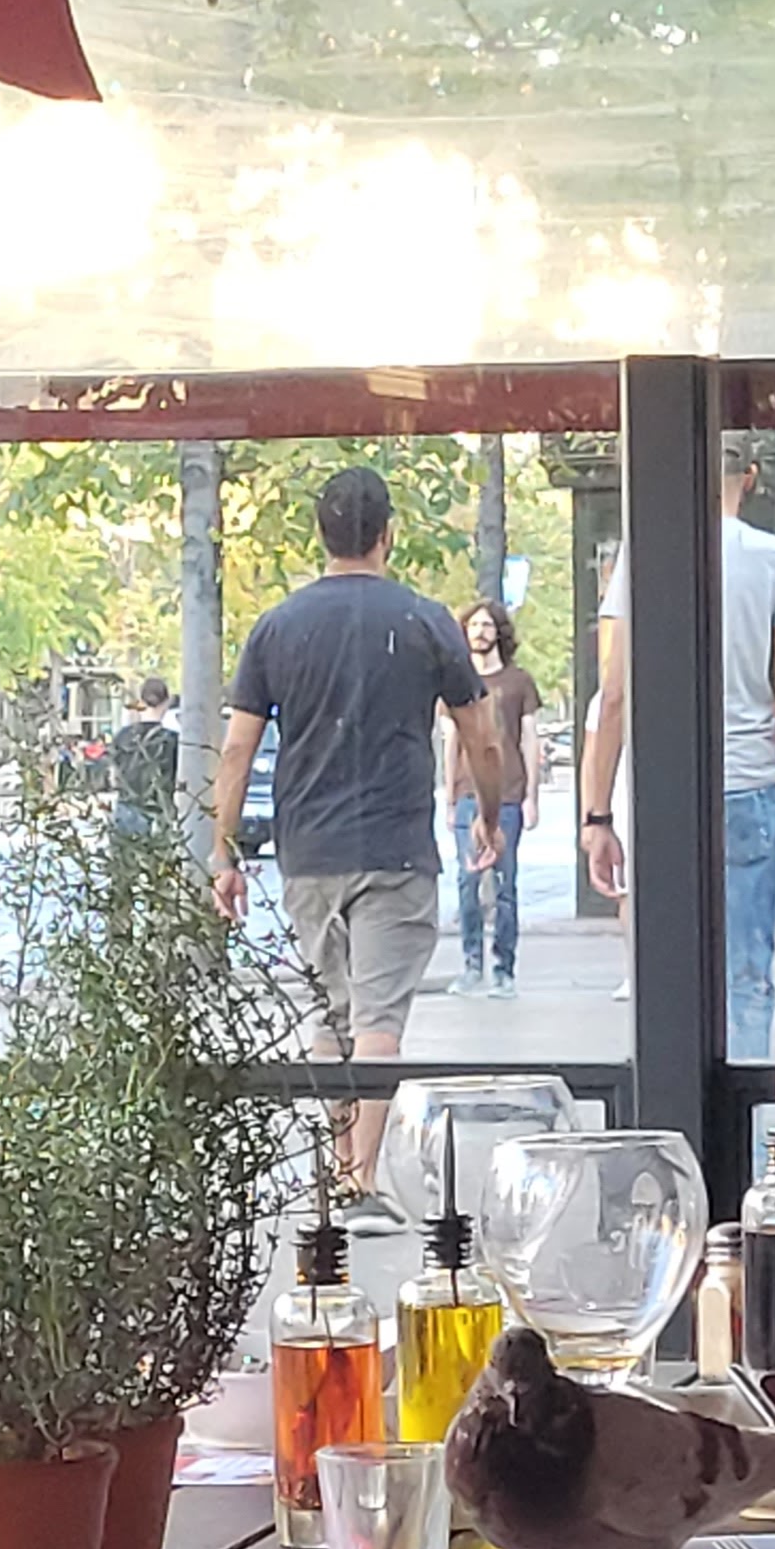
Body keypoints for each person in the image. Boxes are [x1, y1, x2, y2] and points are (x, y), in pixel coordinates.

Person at [210, 466, 506, 1212]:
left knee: (329, 1013)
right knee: (379, 1020)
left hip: (307, 849)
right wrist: (489, 814)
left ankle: (339, 1161)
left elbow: (238, 748)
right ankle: (361, 1179)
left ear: (322, 535)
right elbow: (481, 736)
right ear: (387, 536)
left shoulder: (278, 626)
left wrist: (225, 850)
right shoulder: (425, 621)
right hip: (396, 846)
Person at [579, 436, 775, 1059]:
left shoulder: (643, 555)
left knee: (665, 969)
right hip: (748, 784)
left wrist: (598, 815)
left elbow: (614, 694)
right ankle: (742, 1108)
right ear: (750, 477)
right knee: (745, 973)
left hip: (664, 789)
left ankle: (670, 1102)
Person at [447, 598, 540, 993]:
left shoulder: (519, 682)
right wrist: (449, 798)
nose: (480, 632)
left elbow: (529, 738)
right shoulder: (457, 683)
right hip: (467, 794)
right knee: (467, 880)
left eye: (487, 625)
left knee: (505, 883)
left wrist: (532, 794)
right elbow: (451, 741)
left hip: (509, 794)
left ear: (499, 632)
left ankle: (504, 969)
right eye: (473, 626)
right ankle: (471, 965)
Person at [109, 674, 179, 843]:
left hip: (127, 807)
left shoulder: (122, 736)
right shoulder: (171, 740)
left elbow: (112, 778)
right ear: (167, 702)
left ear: (140, 701)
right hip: (159, 809)